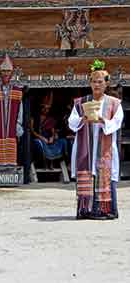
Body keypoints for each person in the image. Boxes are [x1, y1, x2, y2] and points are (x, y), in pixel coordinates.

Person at [68, 59, 124, 220]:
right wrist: (82, 120)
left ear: (106, 84)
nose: (96, 85)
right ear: (90, 83)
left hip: (105, 148)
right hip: (85, 147)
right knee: (88, 172)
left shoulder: (114, 103)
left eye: (100, 82)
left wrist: (102, 121)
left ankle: (106, 210)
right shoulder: (81, 103)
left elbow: (117, 121)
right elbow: (71, 121)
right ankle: (86, 210)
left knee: (105, 174)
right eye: (93, 82)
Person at [0, 54, 24, 165]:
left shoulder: (17, 91)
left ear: (12, 73)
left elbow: (20, 111)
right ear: (0, 73)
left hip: (12, 128)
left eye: (8, 71)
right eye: (3, 71)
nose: (6, 74)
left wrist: (18, 125)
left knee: (11, 153)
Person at [31, 101, 68, 169]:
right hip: (38, 137)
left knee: (62, 142)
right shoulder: (34, 117)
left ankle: (51, 162)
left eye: (47, 109)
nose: (46, 110)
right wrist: (42, 138)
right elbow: (32, 131)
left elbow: (52, 131)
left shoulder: (50, 119)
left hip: (47, 138)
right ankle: (44, 162)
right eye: (44, 108)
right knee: (39, 143)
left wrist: (52, 137)